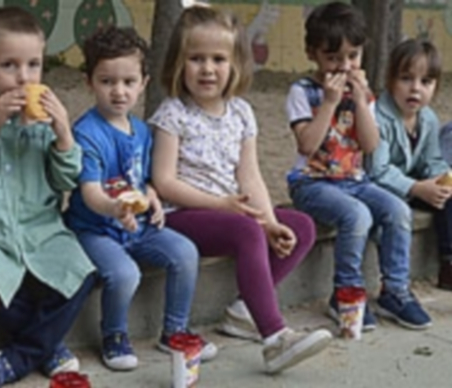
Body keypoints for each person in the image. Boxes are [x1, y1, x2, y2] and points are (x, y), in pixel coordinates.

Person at [149, 5, 332, 374]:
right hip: (182, 215)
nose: (207, 68)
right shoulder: (173, 113)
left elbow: (250, 178)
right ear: (178, 63)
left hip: (230, 211)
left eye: (218, 59)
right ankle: (274, 338)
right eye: (196, 58)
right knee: (247, 229)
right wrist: (223, 206)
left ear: (235, 64)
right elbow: (164, 181)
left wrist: (269, 223)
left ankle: (243, 312)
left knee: (300, 227)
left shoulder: (241, 113)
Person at [0, 6, 96, 388]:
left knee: (82, 275)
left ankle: (23, 354)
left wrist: (63, 134)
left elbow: (65, 181)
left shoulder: (46, 116)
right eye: (9, 65)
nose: (23, 76)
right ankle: (47, 347)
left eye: (33, 65)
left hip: (40, 229)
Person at [63, 26, 214, 372]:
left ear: (143, 82)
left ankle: (175, 330)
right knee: (125, 273)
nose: (119, 91)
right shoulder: (87, 133)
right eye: (107, 81)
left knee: (185, 252)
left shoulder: (141, 130)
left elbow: (141, 179)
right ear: (89, 82)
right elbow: (90, 192)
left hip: (138, 225)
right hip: (95, 229)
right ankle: (114, 335)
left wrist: (152, 195)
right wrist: (114, 208)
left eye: (128, 82)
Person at [286, 2, 431, 330]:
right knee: (357, 215)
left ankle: (395, 290)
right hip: (312, 183)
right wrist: (330, 102)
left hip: (354, 179)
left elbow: (370, 144)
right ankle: (346, 294)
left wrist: (363, 101)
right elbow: (307, 144)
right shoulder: (303, 91)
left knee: (397, 210)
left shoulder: (363, 93)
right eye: (333, 58)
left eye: (352, 56)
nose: (344, 65)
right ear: (313, 53)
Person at [368, 39, 452, 292]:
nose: (415, 89)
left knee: (448, 195)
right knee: (394, 213)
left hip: (412, 184)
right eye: (406, 79)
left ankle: (448, 262)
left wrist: (440, 180)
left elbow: (432, 159)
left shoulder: (426, 118)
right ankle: (392, 285)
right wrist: (416, 187)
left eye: (425, 82)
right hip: (381, 186)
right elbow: (377, 170)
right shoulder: (378, 115)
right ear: (390, 80)